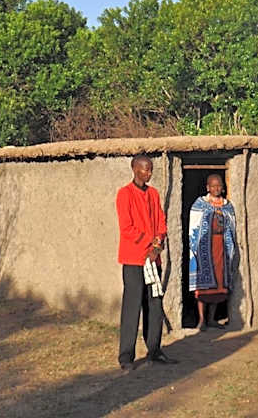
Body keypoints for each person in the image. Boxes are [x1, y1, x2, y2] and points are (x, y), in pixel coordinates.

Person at [117, 155, 177, 371]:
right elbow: (127, 227)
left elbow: (161, 222)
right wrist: (148, 244)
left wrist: (157, 246)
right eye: (144, 170)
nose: (148, 173)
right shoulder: (125, 194)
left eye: (150, 170)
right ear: (134, 169)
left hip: (153, 259)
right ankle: (126, 357)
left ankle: (154, 350)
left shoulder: (153, 194)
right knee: (132, 307)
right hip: (134, 260)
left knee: (154, 305)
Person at [188, 173, 238, 330]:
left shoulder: (227, 206)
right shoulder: (199, 204)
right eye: (213, 185)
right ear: (207, 187)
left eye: (219, 185)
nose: (217, 188)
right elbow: (194, 226)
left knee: (219, 285)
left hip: (221, 249)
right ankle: (202, 320)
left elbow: (231, 227)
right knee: (202, 286)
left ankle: (212, 319)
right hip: (204, 249)